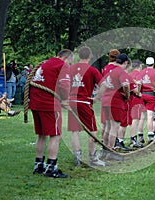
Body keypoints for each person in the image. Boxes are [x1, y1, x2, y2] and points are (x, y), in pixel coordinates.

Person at [29, 49, 73, 178]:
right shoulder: (62, 65)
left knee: (41, 134)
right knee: (55, 135)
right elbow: (65, 85)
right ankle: (51, 167)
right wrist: (65, 100)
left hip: (36, 103)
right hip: (49, 104)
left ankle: (38, 164)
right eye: (70, 62)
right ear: (66, 58)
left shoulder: (44, 63)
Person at [67, 46, 108, 167]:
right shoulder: (92, 70)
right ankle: (93, 157)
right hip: (84, 102)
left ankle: (77, 156)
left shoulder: (71, 69)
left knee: (75, 131)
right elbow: (104, 85)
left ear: (79, 56)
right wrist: (96, 98)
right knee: (93, 131)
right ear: (90, 56)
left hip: (72, 102)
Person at [95, 53, 130, 160]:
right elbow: (126, 85)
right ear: (125, 63)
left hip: (105, 100)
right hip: (115, 101)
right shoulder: (120, 71)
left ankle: (104, 150)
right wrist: (127, 95)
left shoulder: (107, 69)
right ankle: (111, 150)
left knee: (107, 127)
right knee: (114, 127)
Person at [136, 57, 155, 144]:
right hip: (151, 95)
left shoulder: (142, 72)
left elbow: (138, 82)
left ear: (146, 64)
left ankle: (140, 135)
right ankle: (150, 136)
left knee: (142, 116)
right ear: (153, 64)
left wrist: (139, 91)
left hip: (142, 95)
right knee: (150, 116)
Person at [129, 60, 146, 147]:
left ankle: (133, 138)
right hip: (136, 99)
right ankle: (133, 139)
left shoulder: (130, 74)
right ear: (139, 66)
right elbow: (136, 91)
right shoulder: (138, 75)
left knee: (134, 119)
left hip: (131, 99)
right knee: (135, 120)